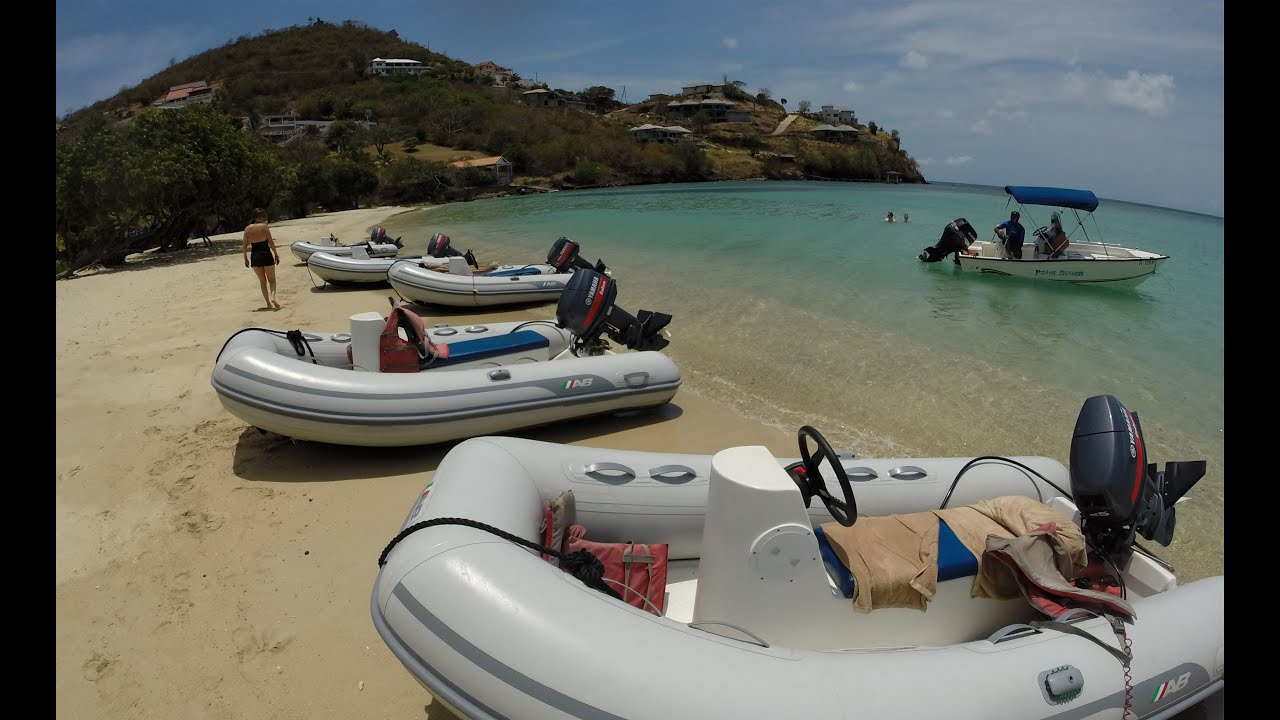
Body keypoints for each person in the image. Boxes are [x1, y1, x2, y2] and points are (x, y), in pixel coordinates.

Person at [241, 208, 281, 310]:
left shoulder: (247, 229)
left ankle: (268, 303)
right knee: (272, 280)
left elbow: (244, 246)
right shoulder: (264, 227)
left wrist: (245, 259)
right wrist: (276, 254)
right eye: (262, 216)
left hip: (255, 256)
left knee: (262, 282)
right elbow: (271, 242)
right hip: (266, 254)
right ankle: (273, 297)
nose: (264, 218)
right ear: (257, 217)